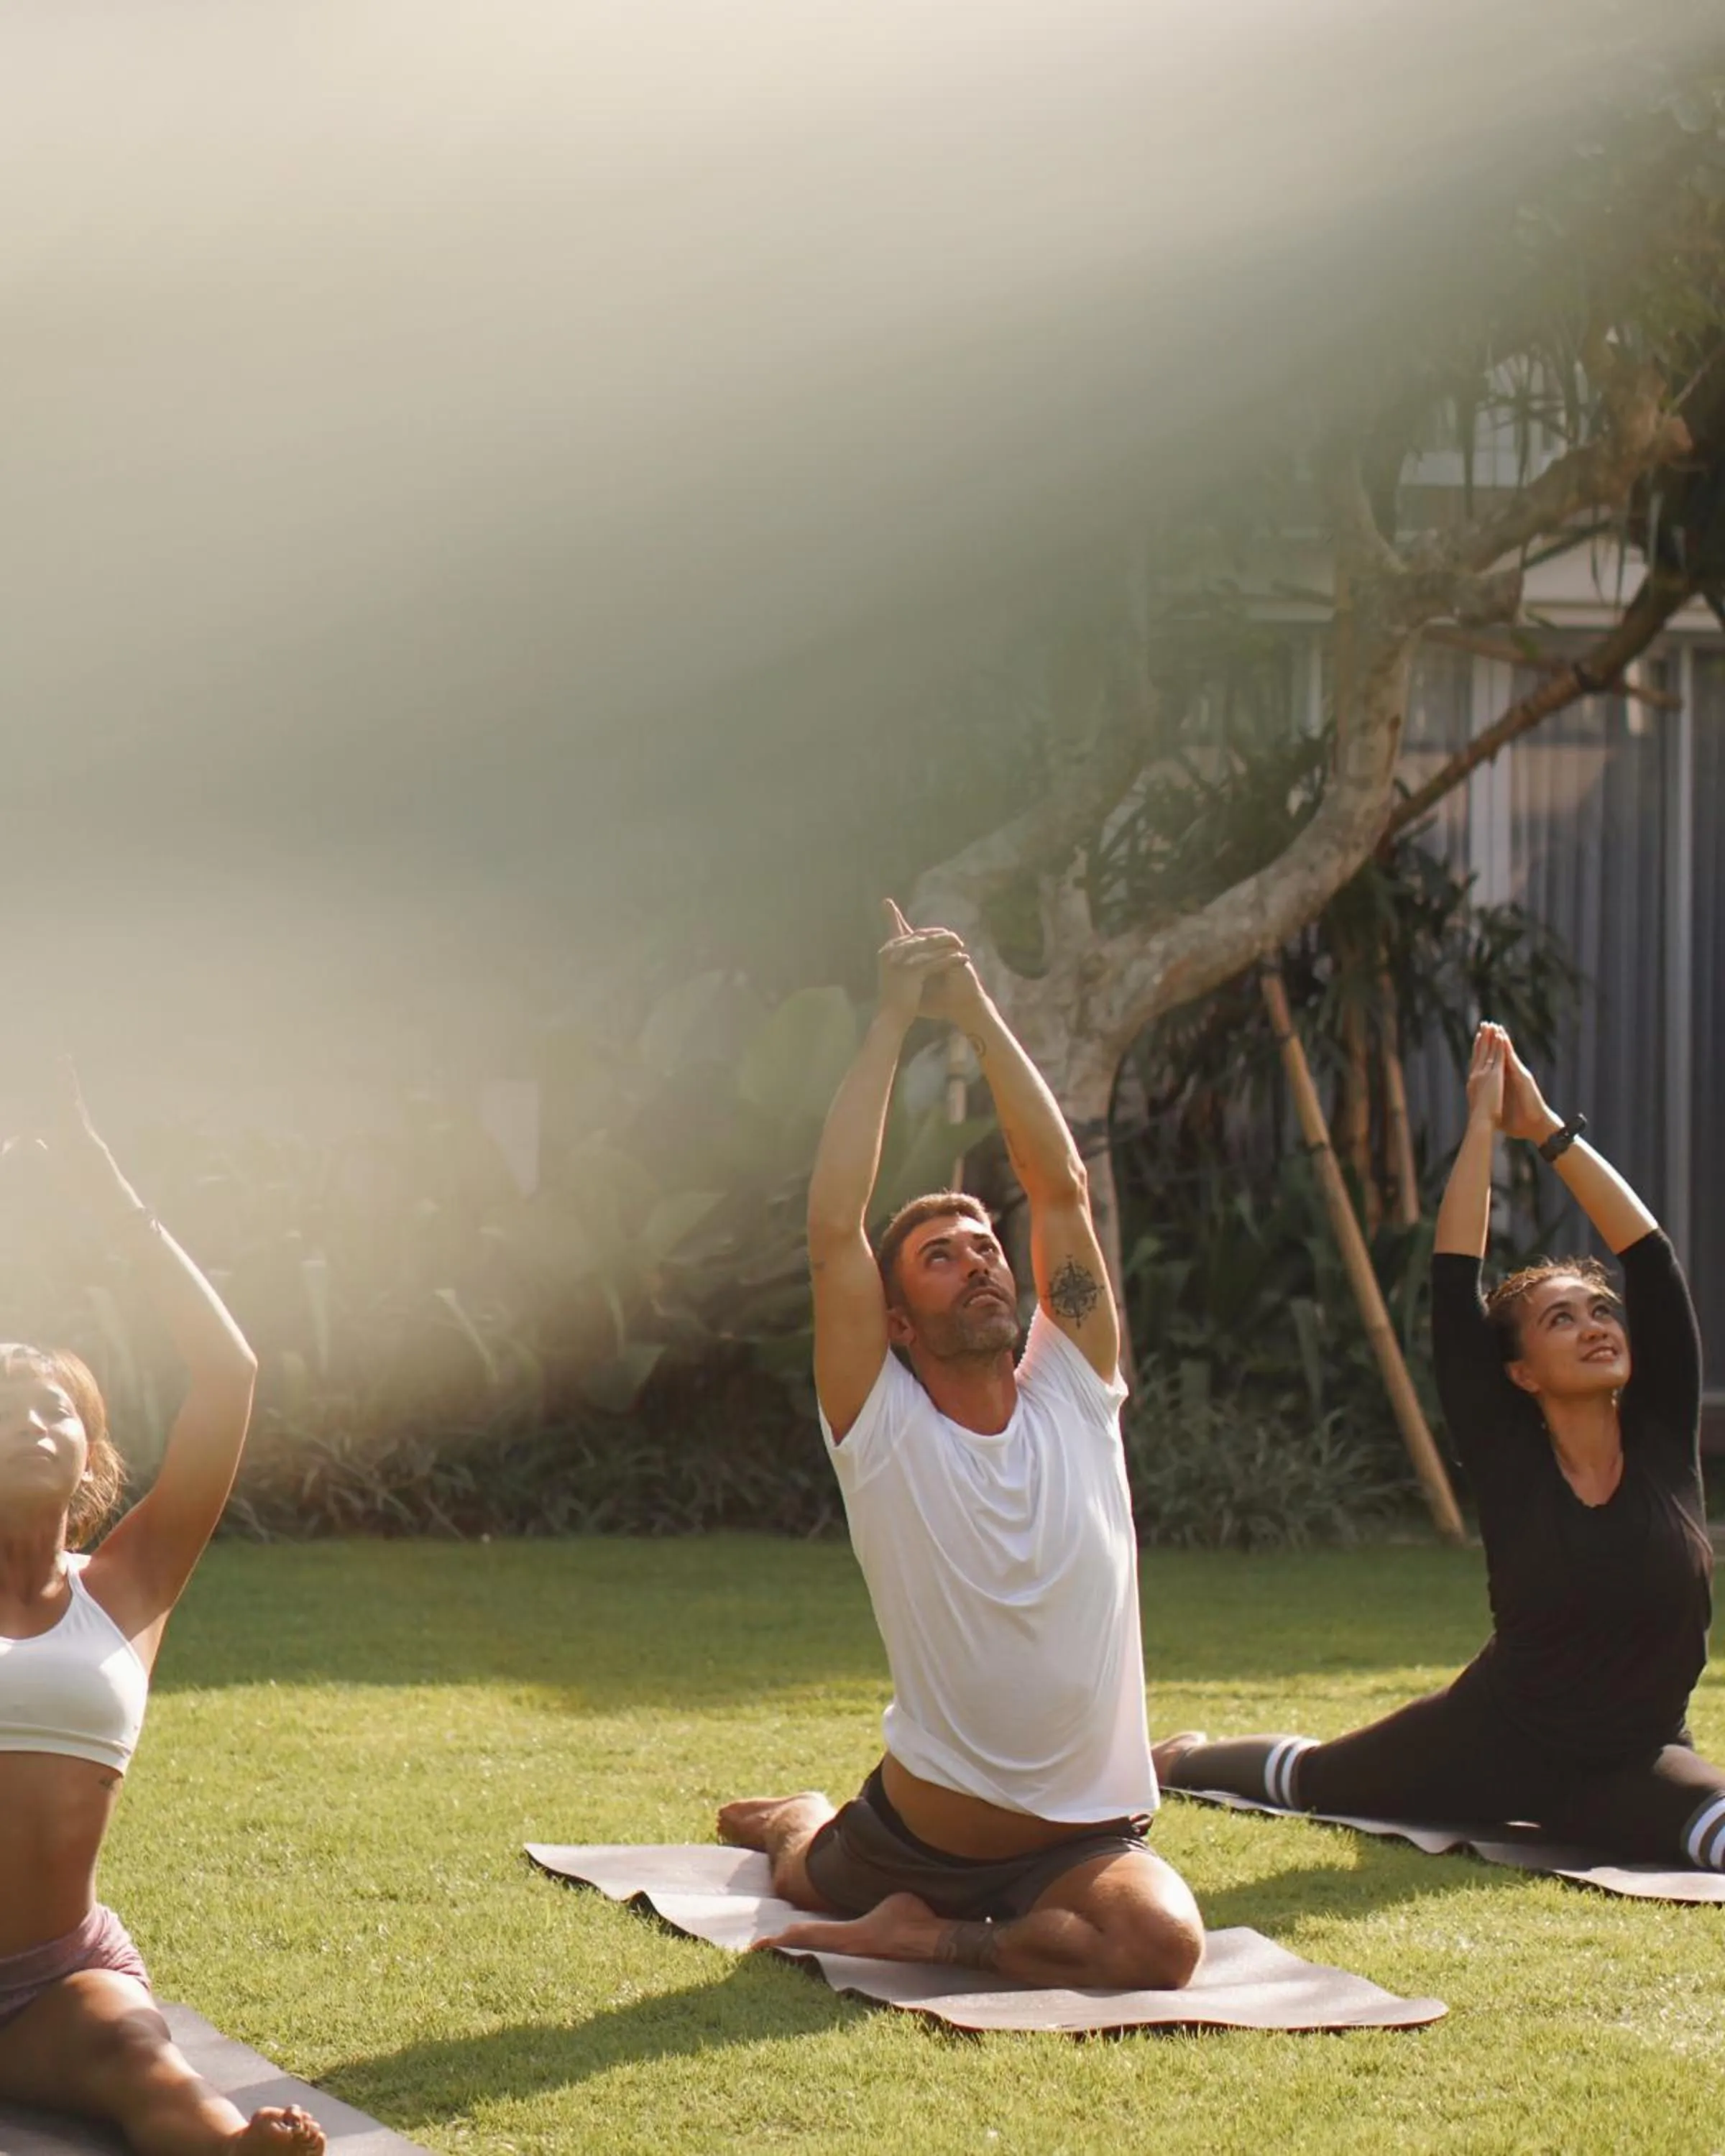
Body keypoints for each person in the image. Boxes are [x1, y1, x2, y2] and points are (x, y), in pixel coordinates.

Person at [717, 902, 1203, 1987]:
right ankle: (803, 1818)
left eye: (986, 1245)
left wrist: (977, 1008)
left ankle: (921, 1938)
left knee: (1164, 1949)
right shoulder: (880, 1427)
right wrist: (892, 1022)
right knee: (803, 1870)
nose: (981, 1261)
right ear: (896, 1322)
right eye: (941, 1256)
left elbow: (1059, 1189)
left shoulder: (1076, 1390)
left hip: (1083, 1845)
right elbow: (833, 1231)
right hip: (922, 1837)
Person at [1156, 1022, 1724, 1873]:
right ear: (1521, 1374)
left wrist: (1551, 1134)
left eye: (1601, 1311)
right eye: (1560, 1319)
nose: (1596, 1325)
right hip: (1490, 1742)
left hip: (1638, 1761)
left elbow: (1652, 1261)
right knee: (1314, 1779)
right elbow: (1455, 1283)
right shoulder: (1508, 1455)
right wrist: (1483, 1132)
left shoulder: (1661, 1439)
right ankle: (1178, 1759)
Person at [0, 1065, 326, 2153]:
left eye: (56, 1409)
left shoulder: (125, 1590)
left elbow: (227, 1374)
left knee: (143, 2058)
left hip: (54, 1981)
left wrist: (99, 1181)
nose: (33, 1423)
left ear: (92, 1453)